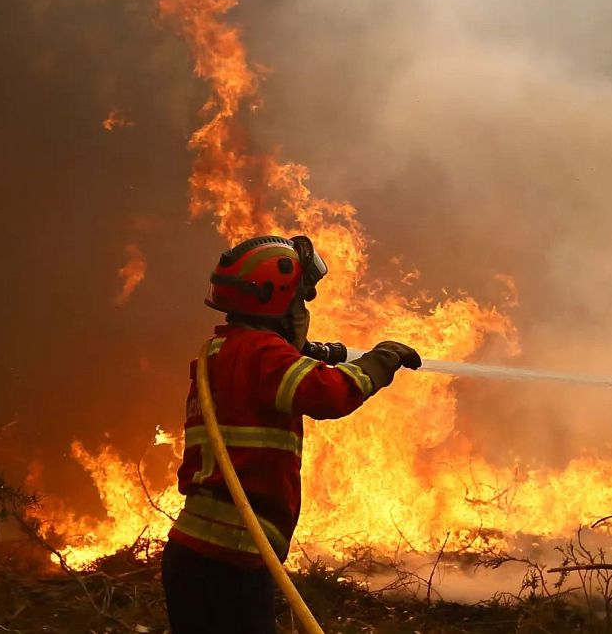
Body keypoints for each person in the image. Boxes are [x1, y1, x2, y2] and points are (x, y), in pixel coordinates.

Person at [161, 234, 420, 634]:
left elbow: (275, 374)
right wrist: (380, 362)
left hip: (198, 556)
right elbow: (328, 395)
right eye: (299, 300)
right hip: (233, 559)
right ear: (275, 301)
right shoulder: (263, 353)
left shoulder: (223, 351)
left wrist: (308, 351)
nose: (302, 311)